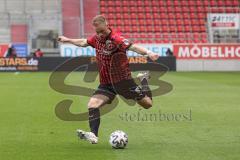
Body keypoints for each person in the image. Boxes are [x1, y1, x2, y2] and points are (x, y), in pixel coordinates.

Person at [58, 15, 159, 144]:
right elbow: (83, 42)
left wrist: (149, 53)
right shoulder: (96, 39)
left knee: (147, 105)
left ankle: (143, 79)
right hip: (106, 83)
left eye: (101, 31)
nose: (99, 35)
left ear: (107, 25)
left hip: (123, 82)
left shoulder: (117, 39)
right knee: (92, 105)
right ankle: (94, 135)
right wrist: (67, 40)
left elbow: (133, 47)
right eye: (97, 32)